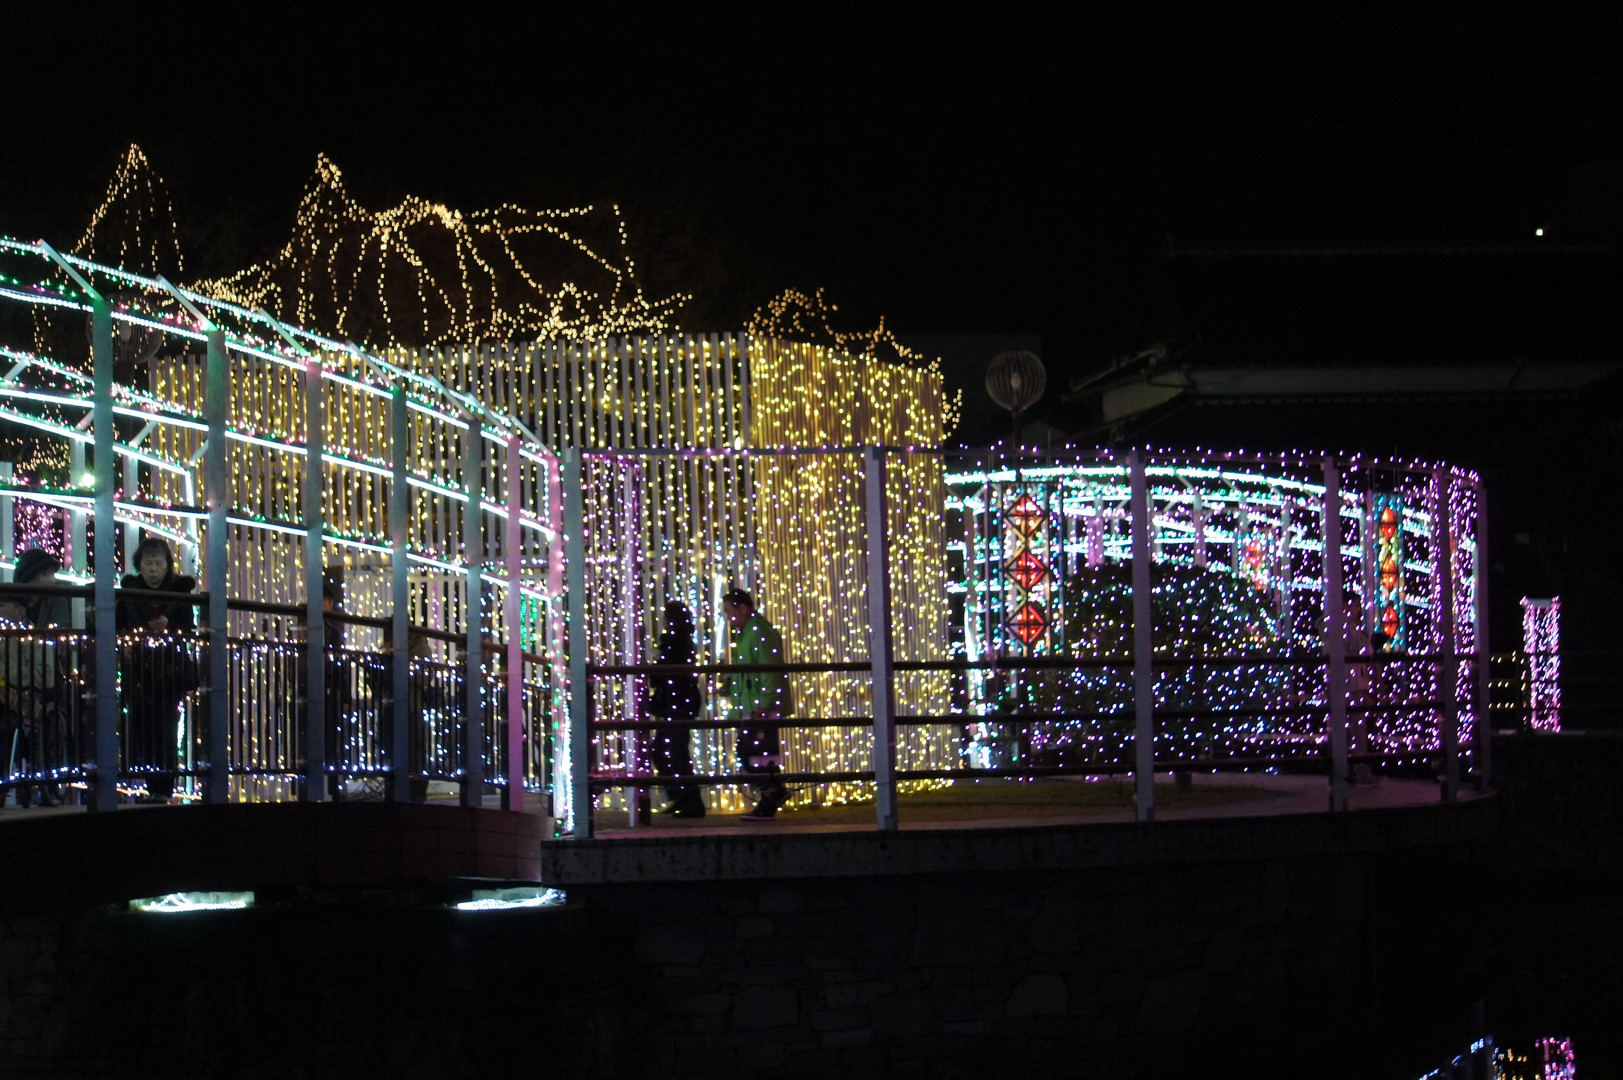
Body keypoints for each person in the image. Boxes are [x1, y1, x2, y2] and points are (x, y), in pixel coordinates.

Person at [117, 537, 198, 803]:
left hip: (168, 670)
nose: (153, 569)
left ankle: (163, 788)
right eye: (148, 563)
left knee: (165, 729)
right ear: (139, 565)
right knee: (141, 728)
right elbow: (118, 624)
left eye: (158, 563)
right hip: (138, 670)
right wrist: (124, 643)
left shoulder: (180, 591)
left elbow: (188, 628)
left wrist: (170, 626)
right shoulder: (130, 590)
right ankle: (151, 785)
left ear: (168, 565)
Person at [1, 549, 73, 807]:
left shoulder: (54, 604)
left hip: (36, 683)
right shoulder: (10, 623)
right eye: (46, 574)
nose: (51, 580)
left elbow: (53, 653)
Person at [721, 587, 793, 822]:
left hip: (758, 707)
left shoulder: (757, 632)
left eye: (729, 611)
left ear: (743, 608)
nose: (727, 617)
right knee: (755, 755)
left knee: (755, 755)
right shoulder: (751, 632)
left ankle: (772, 797)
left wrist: (765, 703)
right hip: (753, 705)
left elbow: (768, 669)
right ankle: (772, 796)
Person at [646, 601, 704, 817]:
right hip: (681, 703)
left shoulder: (673, 643)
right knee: (671, 750)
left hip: (675, 703)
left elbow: (662, 674)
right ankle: (685, 797)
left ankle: (688, 799)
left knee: (671, 751)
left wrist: (654, 671)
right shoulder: (684, 642)